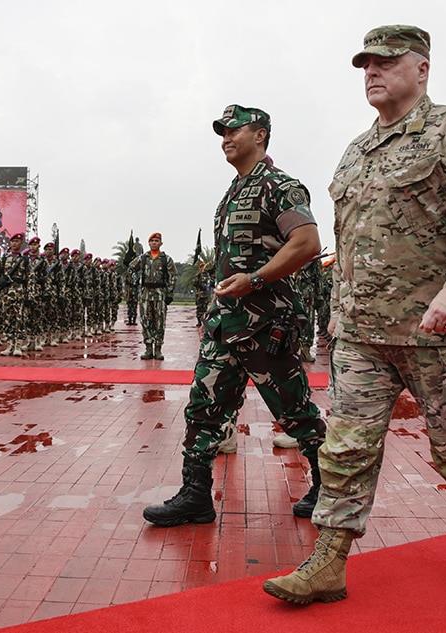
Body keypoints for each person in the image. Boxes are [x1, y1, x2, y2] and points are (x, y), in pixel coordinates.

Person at [264, 26, 446, 604]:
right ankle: (328, 561)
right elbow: (350, 240)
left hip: (440, 330)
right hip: (360, 332)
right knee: (346, 446)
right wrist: (336, 312)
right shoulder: (356, 150)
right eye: (365, 64)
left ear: (422, 68)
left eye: (385, 61)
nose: (371, 72)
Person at [142, 104, 326, 527]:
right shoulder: (232, 192)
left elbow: (306, 242)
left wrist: (256, 281)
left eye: (233, 129)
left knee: (295, 410)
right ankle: (195, 495)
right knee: (204, 408)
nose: (225, 137)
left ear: (259, 135)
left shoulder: (280, 186)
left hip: (265, 324)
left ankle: (328, 488)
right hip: (225, 324)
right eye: (221, 131)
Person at [128, 233, 176, 360]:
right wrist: (135, 281)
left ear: (161, 243)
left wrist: (170, 293)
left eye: (157, 241)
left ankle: (158, 349)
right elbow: (131, 268)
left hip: (160, 294)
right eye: (152, 241)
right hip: (145, 294)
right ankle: (148, 348)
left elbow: (172, 277)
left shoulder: (166, 259)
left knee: (159, 322)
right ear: (148, 243)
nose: (154, 243)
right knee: (146, 321)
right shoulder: (142, 258)